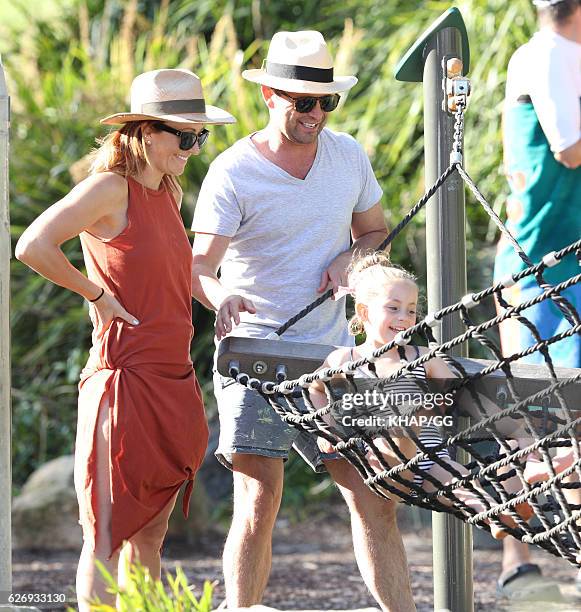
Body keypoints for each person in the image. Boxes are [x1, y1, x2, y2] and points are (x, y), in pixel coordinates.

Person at [191, 30, 416, 611]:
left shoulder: (348, 156)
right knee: (258, 495)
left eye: (327, 102)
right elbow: (197, 268)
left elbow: (374, 231)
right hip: (255, 355)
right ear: (269, 94)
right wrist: (221, 300)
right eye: (303, 102)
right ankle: (241, 610)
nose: (317, 113)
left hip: (336, 357)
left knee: (375, 496)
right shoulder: (232, 171)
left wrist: (352, 256)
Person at [15, 68, 235, 610]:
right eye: (184, 135)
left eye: (199, 135)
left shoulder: (166, 190)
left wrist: (219, 298)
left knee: (152, 538)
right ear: (144, 131)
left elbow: (168, 271)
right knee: (107, 540)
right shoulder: (110, 188)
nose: (193, 146)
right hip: (124, 383)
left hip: (172, 380)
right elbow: (33, 244)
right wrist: (96, 294)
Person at [311, 252, 530, 540]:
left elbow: (462, 395)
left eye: (411, 310)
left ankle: (498, 513)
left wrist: (511, 426)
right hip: (385, 462)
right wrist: (327, 430)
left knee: (459, 482)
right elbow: (315, 389)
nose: (404, 318)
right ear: (364, 312)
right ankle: (405, 424)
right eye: (393, 308)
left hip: (431, 456)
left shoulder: (420, 357)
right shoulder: (345, 360)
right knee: (400, 427)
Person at [493, 0, 581, 599]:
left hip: (571, 260)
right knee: (528, 421)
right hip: (538, 266)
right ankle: (515, 564)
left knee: (573, 429)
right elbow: (569, 147)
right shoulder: (546, 54)